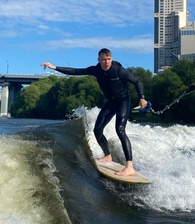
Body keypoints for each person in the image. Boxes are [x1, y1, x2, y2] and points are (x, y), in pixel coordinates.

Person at [41, 48, 148, 176]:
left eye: (109, 59)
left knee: (120, 130)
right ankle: (107, 155)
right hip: (110, 103)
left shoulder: (118, 70)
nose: (107, 62)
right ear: (99, 60)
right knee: (97, 130)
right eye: (104, 59)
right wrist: (54, 67)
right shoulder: (95, 70)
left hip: (123, 101)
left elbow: (137, 82)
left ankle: (129, 166)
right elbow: (76, 71)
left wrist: (142, 97)